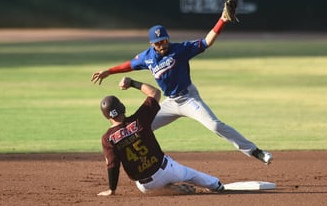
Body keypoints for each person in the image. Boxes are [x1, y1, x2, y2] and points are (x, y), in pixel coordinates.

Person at [91, 10, 272, 165]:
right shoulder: (146, 57)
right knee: (137, 129)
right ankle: (137, 165)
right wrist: (109, 71)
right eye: (158, 42)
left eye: (164, 40)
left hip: (189, 98)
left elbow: (207, 41)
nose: (162, 45)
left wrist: (222, 20)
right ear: (151, 44)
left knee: (215, 125)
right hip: (169, 103)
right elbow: (129, 65)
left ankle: (255, 151)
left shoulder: (180, 50)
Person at [97, 77, 224, 196]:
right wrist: (132, 83)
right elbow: (155, 93)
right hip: (166, 170)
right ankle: (215, 185)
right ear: (122, 107)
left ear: (106, 116)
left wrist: (111, 189)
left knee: (143, 183)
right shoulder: (139, 119)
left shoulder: (107, 138)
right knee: (191, 175)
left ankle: (166, 188)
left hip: (145, 186)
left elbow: (113, 166)